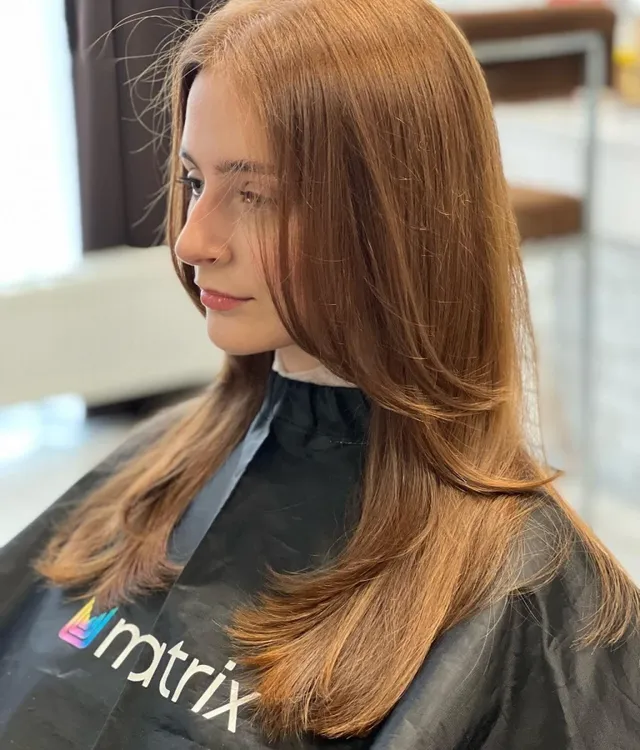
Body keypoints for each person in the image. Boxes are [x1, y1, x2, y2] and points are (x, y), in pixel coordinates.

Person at [1, 0, 639, 747]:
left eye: (254, 194)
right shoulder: (165, 460)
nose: (192, 241)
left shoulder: (531, 598)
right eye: (194, 181)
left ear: (391, 217)